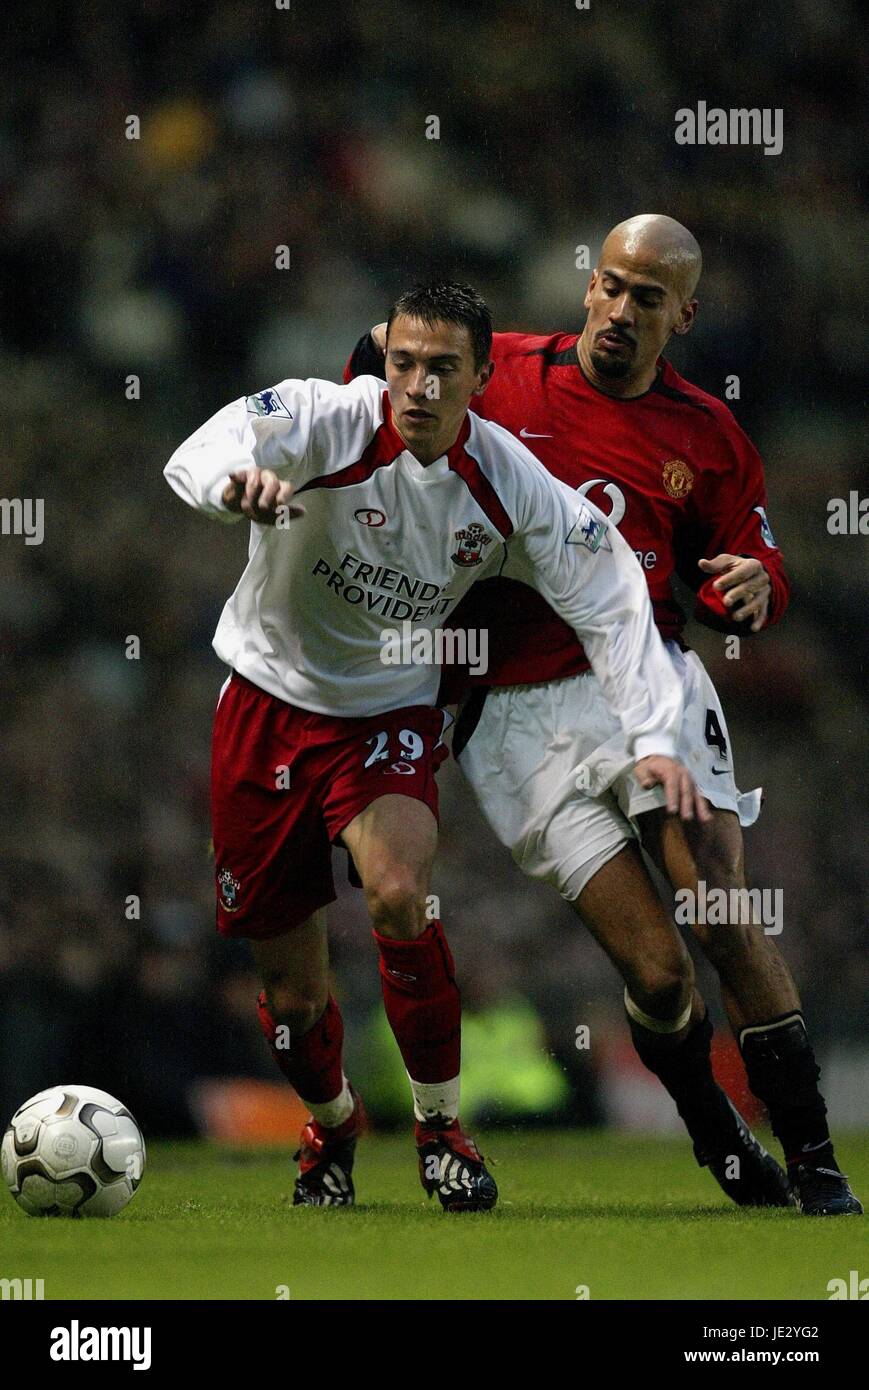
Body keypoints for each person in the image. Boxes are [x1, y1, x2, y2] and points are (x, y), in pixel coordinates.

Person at [346, 220, 862, 1216]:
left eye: (647, 298)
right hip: (509, 718)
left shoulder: (707, 436)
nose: (622, 310)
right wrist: (380, 353)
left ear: (682, 315)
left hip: (645, 684)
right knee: (656, 973)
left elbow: (748, 568)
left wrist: (757, 587)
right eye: (611, 287)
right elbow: (384, 384)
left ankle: (813, 1159)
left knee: (714, 903)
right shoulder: (498, 373)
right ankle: (715, 1135)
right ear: (588, 288)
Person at [165, 281, 701, 1212]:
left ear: (480, 379)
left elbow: (612, 592)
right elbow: (208, 446)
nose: (415, 386)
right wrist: (227, 488)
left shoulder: (508, 481)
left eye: (441, 369)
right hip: (261, 705)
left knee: (401, 894)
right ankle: (331, 1123)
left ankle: (440, 1128)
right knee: (293, 999)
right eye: (403, 363)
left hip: (389, 717)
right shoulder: (323, 418)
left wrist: (654, 734)